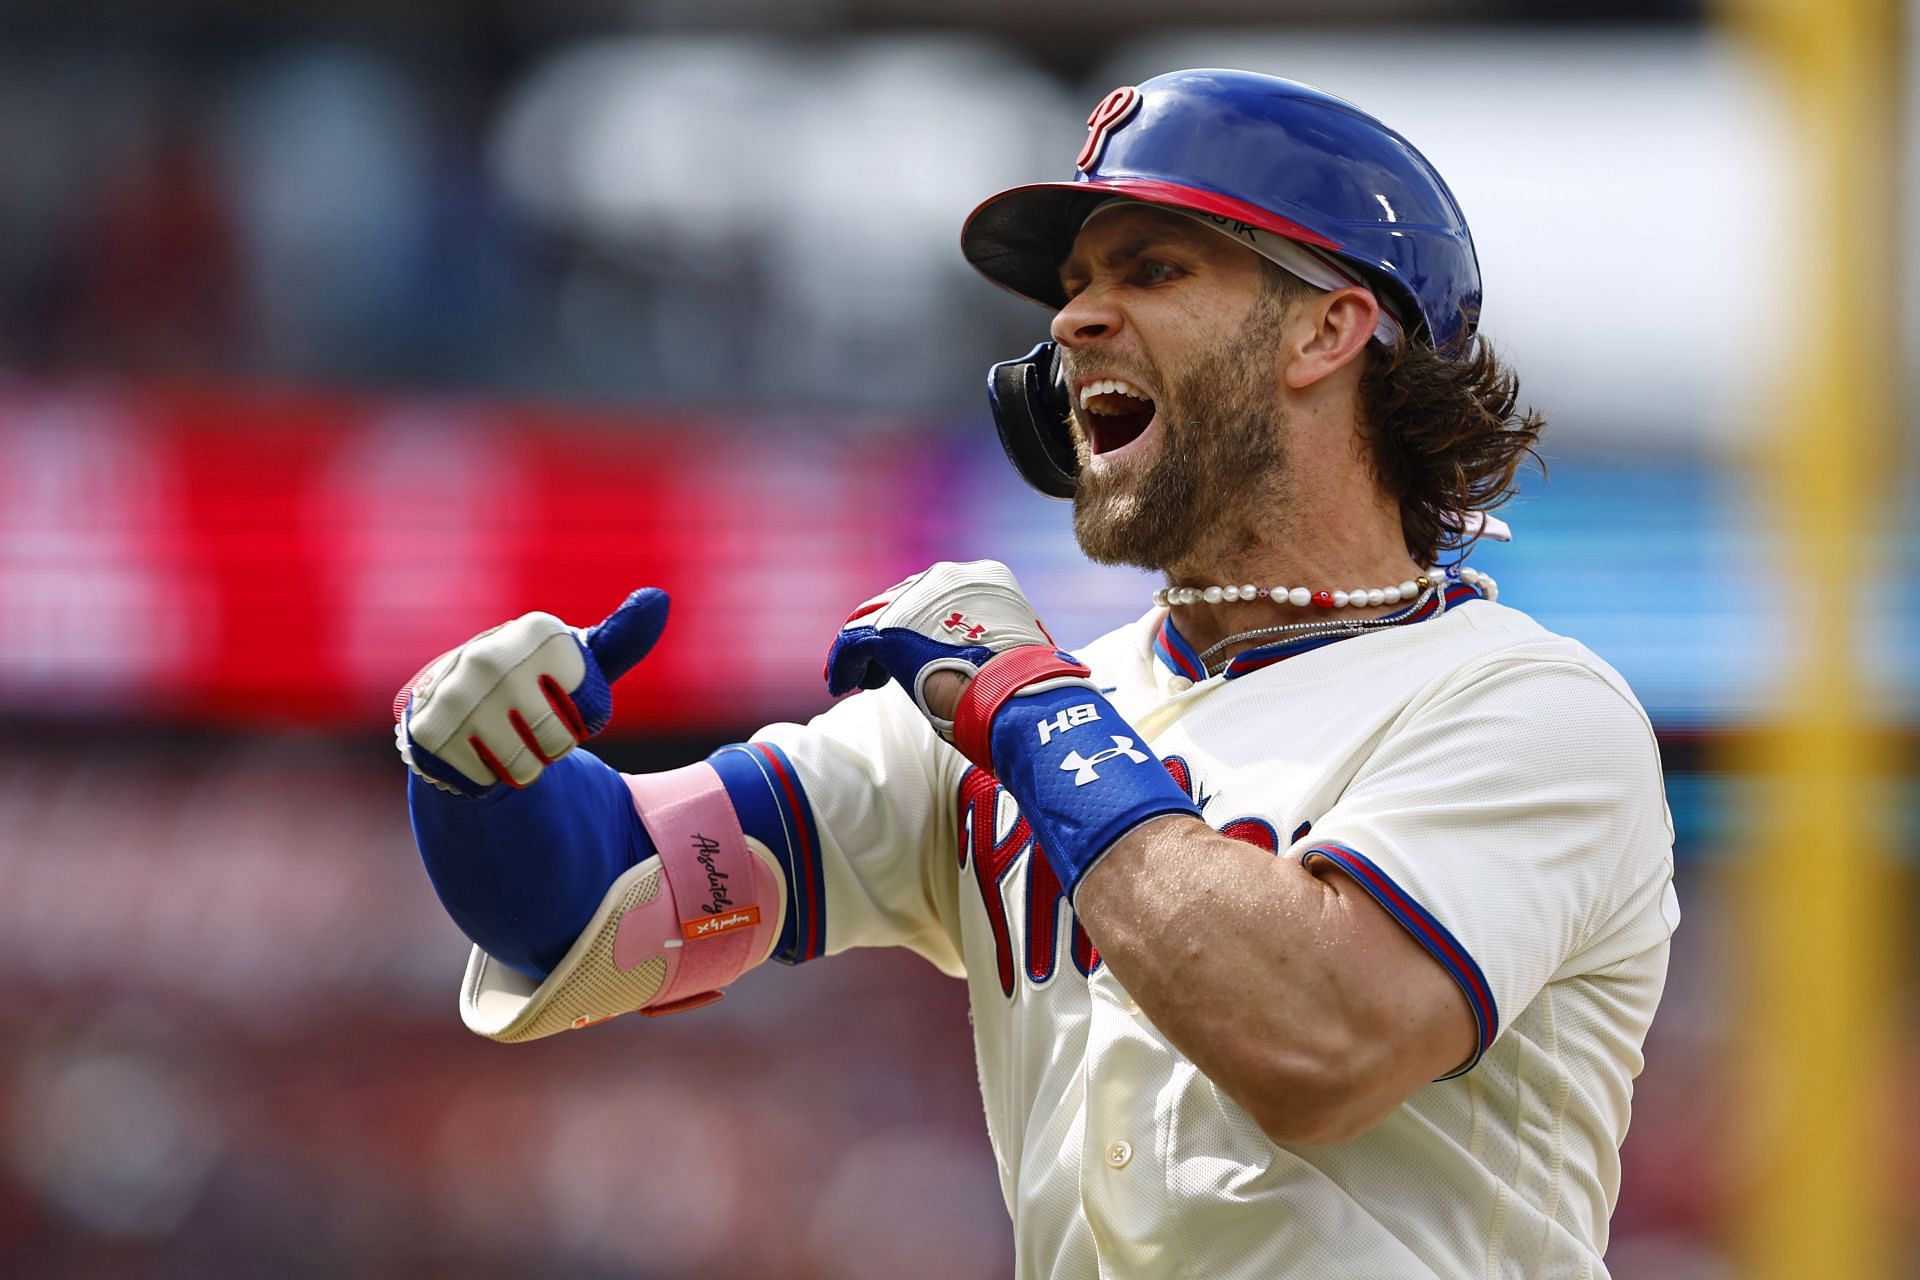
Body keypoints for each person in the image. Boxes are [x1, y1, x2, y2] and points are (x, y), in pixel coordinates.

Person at [396, 69, 1678, 1278]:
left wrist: (1030, 712)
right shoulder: (1017, 711)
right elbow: (594, 903)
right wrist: (480, 771)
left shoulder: (1527, 707)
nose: (1072, 319)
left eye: (1154, 267)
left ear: (1328, 329)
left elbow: (1323, 1039)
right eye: (1070, 287)